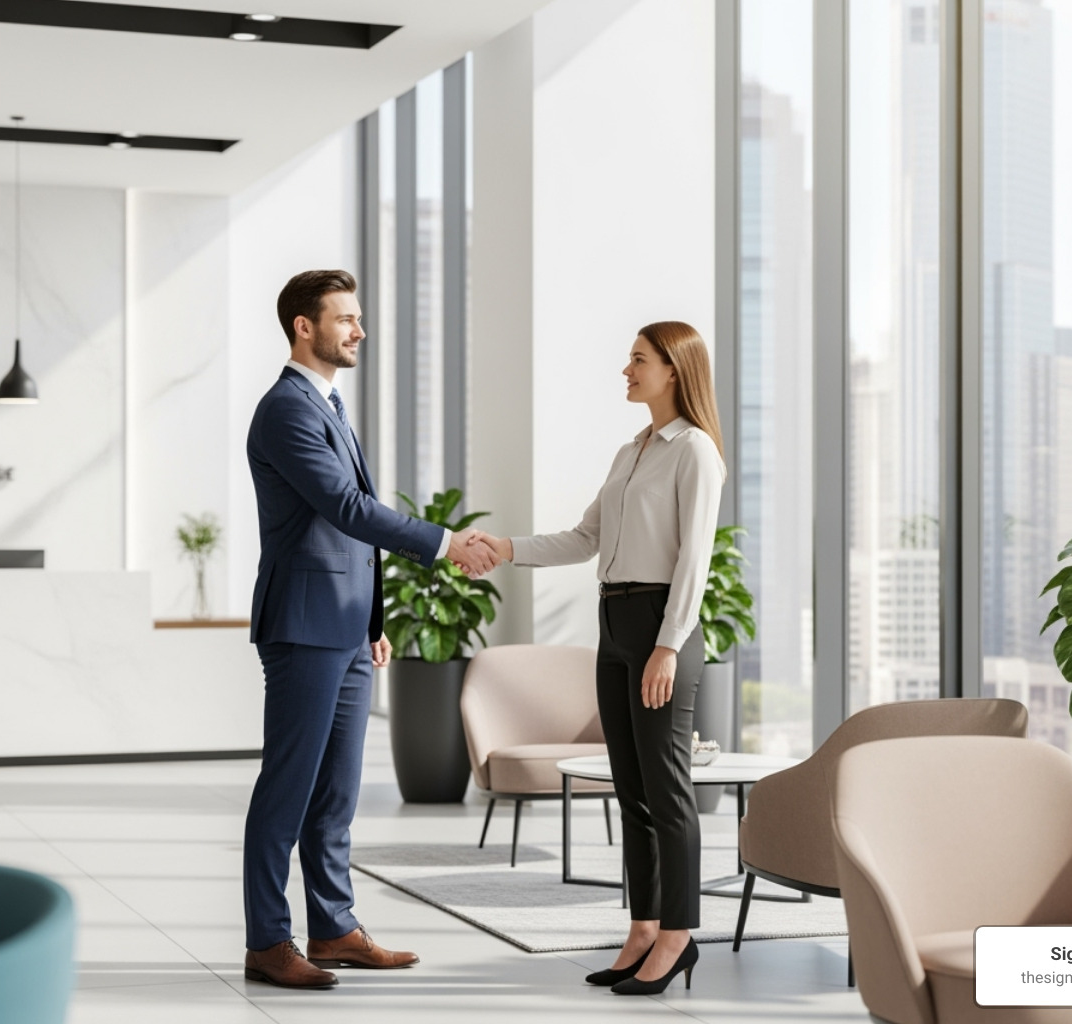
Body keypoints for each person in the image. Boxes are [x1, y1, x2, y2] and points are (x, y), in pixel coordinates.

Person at [242, 269, 499, 990]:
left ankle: (332, 928)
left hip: (349, 629)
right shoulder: (286, 409)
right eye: (346, 319)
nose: (359, 331)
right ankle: (268, 941)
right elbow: (346, 509)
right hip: (304, 626)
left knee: (336, 793)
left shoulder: (326, 402)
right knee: (287, 789)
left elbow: (347, 532)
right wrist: (445, 543)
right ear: (305, 327)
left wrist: (374, 621)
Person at [474, 322, 724, 996]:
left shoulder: (694, 452)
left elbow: (695, 562)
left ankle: (679, 935)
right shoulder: (631, 450)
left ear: (674, 371)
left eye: (639, 360)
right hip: (614, 621)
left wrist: (668, 645)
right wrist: (505, 548)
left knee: (668, 793)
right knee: (631, 790)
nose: (626, 370)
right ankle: (643, 927)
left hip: (659, 624)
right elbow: (587, 537)